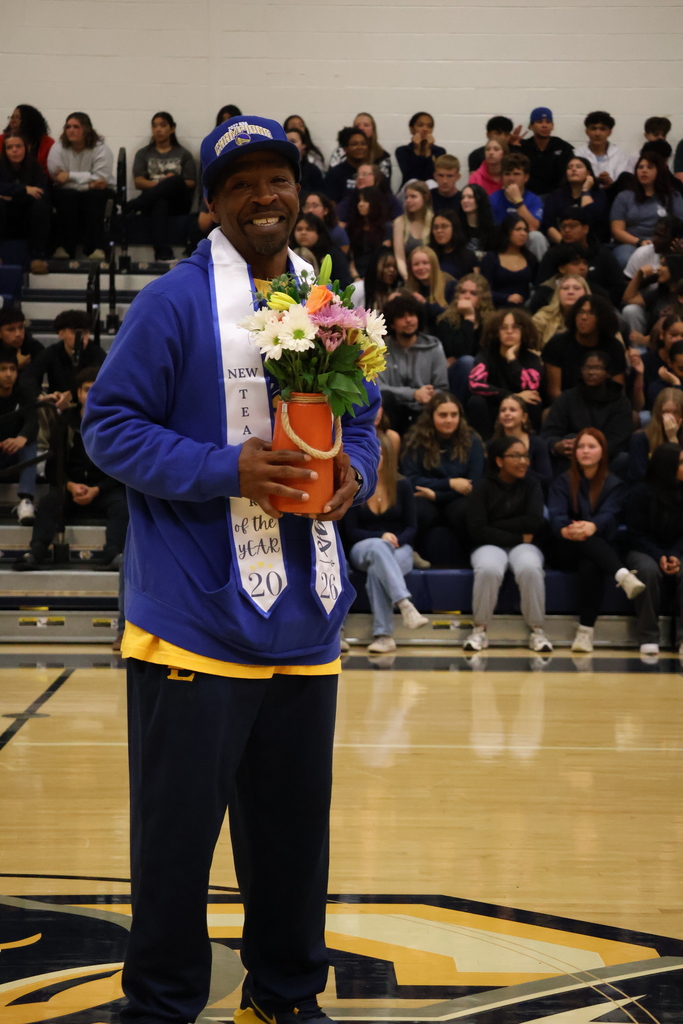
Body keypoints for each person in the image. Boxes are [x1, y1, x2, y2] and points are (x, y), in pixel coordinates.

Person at [82, 114, 380, 1024]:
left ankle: (285, 996)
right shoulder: (172, 303)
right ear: (211, 204)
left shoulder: (329, 304)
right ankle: (163, 1004)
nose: (265, 197)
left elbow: (361, 420)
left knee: (292, 838)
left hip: (305, 614)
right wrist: (228, 469)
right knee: (175, 842)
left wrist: (353, 473)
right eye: (242, 183)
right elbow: (109, 429)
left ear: (299, 194)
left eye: (278, 180)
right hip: (195, 619)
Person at [15, 367, 128, 570]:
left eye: (96, 390)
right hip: (70, 487)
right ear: (78, 393)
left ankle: (113, 554)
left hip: (103, 489)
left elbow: (121, 467)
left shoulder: (114, 424)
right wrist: (70, 486)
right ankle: (37, 552)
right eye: (86, 390)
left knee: (122, 505)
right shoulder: (64, 421)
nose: (91, 395)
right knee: (50, 501)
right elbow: (52, 467)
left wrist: (97, 489)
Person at [548, 428, 644, 653]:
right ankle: (622, 575)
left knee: (591, 564)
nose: (585, 451)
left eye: (591, 446)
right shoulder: (563, 481)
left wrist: (592, 526)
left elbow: (610, 514)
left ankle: (585, 633)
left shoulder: (615, 484)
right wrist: (566, 530)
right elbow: (556, 514)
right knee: (585, 544)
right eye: (581, 447)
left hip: (599, 550)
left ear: (603, 452)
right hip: (565, 548)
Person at [464, 435, 553, 654]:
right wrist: (518, 536)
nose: (523, 461)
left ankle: (537, 630)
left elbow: (534, 521)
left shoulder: (532, 484)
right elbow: (477, 530)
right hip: (489, 545)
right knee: (488, 569)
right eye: (516, 456)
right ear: (499, 461)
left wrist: (495, 524)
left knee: (530, 568)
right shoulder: (482, 487)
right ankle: (479, 629)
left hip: (521, 546)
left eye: (525, 456)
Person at [346, 432, 428, 654]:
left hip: (399, 548)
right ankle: (405, 604)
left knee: (377, 572)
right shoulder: (354, 485)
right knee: (378, 549)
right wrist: (381, 536)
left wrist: (396, 540)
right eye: (372, 453)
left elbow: (411, 527)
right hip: (364, 548)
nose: (377, 458)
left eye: (381, 453)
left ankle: (384, 636)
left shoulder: (402, 485)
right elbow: (351, 531)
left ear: (389, 456)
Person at [401, 392, 484, 567]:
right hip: (425, 497)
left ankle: (472, 555)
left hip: (456, 499)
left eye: (454, 415)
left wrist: (437, 495)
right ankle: (409, 553)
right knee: (418, 509)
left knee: (465, 510)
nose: (449, 420)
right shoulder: (415, 439)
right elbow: (410, 478)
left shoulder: (472, 441)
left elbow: (473, 484)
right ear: (431, 416)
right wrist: (449, 483)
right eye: (443, 415)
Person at [625, 443, 683, 656]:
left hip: (677, 550)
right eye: (682, 463)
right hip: (644, 549)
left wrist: (675, 554)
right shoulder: (640, 493)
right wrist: (659, 555)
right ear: (667, 466)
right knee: (647, 571)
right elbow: (635, 534)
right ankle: (648, 636)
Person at [542, 349, 633, 475]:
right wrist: (557, 446)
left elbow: (619, 440)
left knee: (623, 459)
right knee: (569, 440)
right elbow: (549, 432)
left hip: (606, 458)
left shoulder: (621, 402)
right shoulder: (568, 397)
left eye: (597, 368)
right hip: (572, 457)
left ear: (608, 373)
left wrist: (591, 451)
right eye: (587, 368)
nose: (591, 372)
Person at [47, 111, 116, 260]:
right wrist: (88, 181)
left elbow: (101, 179)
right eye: (68, 127)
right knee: (68, 197)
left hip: (99, 192)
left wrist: (70, 176)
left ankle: (98, 249)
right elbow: (56, 176)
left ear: (86, 129)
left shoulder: (101, 149)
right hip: (71, 191)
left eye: (76, 126)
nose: (71, 130)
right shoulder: (58, 148)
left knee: (95, 197)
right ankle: (64, 248)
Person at [467, 308, 544, 439]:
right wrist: (513, 396)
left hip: (520, 411)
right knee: (476, 402)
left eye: (515, 327)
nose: (509, 332)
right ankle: (485, 446)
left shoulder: (531, 359)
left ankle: (528, 444)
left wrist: (512, 360)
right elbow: (475, 384)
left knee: (533, 401)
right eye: (503, 328)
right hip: (495, 407)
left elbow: (531, 387)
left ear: (524, 331)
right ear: (497, 332)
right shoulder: (487, 355)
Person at [130, 111, 197, 261]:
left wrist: (171, 182)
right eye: (154, 126)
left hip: (179, 203)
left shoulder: (183, 153)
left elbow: (191, 182)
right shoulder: (143, 153)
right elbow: (138, 181)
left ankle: (134, 205)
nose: (158, 129)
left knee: (175, 180)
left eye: (162, 125)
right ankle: (163, 254)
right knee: (160, 202)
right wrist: (163, 184)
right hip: (154, 202)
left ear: (172, 128)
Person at [378, 292, 448, 435]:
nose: (409, 320)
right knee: (386, 398)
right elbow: (380, 388)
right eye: (401, 317)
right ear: (392, 323)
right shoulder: (381, 349)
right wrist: (413, 394)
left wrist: (428, 395)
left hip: (425, 409)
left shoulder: (434, 347)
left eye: (412, 315)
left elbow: (442, 387)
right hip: (394, 410)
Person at [534, 206, 625, 308]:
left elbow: (618, 287)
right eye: (563, 227)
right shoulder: (552, 255)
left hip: (599, 307)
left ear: (585, 229)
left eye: (572, 226)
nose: (567, 230)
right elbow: (541, 287)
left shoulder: (603, 254)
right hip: (557, 309)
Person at [542, 294, 627, 401]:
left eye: (591, 313)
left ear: (602, 318)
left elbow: (618, 391)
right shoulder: (557, 344)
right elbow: (554, 391)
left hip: (604, 407)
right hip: (566, 407)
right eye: (580, 312)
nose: (583, 317)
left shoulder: (614, 347)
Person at [610, 152, 683, 268]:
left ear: (659, 171)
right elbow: (617, 230)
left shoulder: (673, 196)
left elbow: (680, 225)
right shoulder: (624, 196)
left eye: (650, 167)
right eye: (640, 167)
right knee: (623, 259)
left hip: (664, 244)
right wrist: (640, 242)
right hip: (632, 244)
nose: (644, 171)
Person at [434, 273, 494, 400]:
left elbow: (487, 354)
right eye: (463, 292)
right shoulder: (446, 321)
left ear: (482, 298)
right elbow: (460, 351)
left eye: (473, 293)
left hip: (484, 372)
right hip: (454, 375)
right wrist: (469, 318)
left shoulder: (491, 323)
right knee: (467, 362)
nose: (466, 296)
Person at [30, 309, 104, 408]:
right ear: (61, 333)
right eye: (76, 333)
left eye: (86, 333)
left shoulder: (96, 353)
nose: (82, 338)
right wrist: (41, 396)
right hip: (57, 406)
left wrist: (72, 393)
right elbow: (29, 377)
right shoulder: (52, 352)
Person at [0, 132, 51, 274]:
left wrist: (13, 195)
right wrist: (25, 189)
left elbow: (42, 192)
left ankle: (37, 257)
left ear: (26, 148)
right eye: (10, 147)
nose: (14, 150)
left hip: (26, 213)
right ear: (5, 150)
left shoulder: (34, 166)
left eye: (18, 146)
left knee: (41, 206)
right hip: (5, 213)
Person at [0, 344, 38, 524]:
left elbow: (32, 420)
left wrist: (21, 438)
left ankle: (25, 500)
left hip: (14, 454)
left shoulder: (24, 392)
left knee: (30, 442)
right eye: (3, 369)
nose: (9, 374)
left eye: (12, 369)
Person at [488, 153, 547, 260]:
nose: (511, 178)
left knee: (537, 237)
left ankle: (540, 275)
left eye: (516, 174)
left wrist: (518, 201)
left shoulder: (534, 200)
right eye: (507, 174)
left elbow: (533, 228)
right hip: (500, 243)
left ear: (526, 177)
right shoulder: (492, 199)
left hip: (524, 242)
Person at [492, 394, 552, 492]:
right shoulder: (493, 445)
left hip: (531, 496)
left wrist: (520, 470)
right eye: (503, 410)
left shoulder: (537, 443)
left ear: (524, 417)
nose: (507, 413)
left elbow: (547, 480)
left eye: (512, 410)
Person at [541, 156, 608, 243]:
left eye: (578, 167)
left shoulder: (598, 194)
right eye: (569, 167)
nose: (573, 169)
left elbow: (591, 218)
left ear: (588, 173)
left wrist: (585, 190)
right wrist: (565, 244)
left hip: (592, 245)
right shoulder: (556, 195)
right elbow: (549, 225)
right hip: (561, 245)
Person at [479, 215, 538, 308]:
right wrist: (506, 297)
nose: (523, 233)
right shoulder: (491, 258)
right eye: (518, 229)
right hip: (497, 309)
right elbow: (483, 291)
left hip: (524, 311)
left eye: (525, 230)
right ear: (507, 232)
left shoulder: (530, 258)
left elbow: (538, 285)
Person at [515, 106, 574, 197]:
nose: (544, 125)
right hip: (527, 196)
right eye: (539, 122)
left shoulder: (562, 147)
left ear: (553, 126)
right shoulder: (522, 146)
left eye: (548, 122)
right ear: (531, 126)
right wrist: (509, 144)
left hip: (557, 196)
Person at [628, 387, 683, 482]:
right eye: (665, 412)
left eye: (675, 412)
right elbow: (639, 477)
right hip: (652, 490)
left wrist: (673, 438)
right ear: (658, 413)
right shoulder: (640, 439)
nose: (671, 417)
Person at [574, 111, 636, 192]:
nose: (597, 133)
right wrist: (595, 181)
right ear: (587, 131)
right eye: (593, 128)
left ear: (609, 132)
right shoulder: (577, 153)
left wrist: (610, 182)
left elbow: (624, 183)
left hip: (613, 196)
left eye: (603, 129)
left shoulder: (619, 153)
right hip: (586, 195)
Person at [290, 212, 352, 289]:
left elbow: (343, 283)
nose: (303, 233)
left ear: (319, 233)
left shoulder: (333, 253)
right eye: (299, 229)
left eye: (309, 229)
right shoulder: (288, 252)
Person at [405, 245, 456, 332]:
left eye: (425, 263)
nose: (421, 267)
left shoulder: (451, 285)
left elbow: (453, 317)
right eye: (416, 264)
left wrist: (425, 304)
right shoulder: (408, 289)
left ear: (434, 264)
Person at [345, 186, 392, 280]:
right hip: (355, 275)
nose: (360, 204)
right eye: (359, 201)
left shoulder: (385, 228)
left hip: (377, 276)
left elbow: (383, 256)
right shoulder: (351, 228)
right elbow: (350, 256)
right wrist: (356, 276)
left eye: (365, 201)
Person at [328, 113, 391, 182]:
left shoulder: (382, 155)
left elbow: (384, 184)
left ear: (373, 129)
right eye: (357, 126)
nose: (361, 128)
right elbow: (331, 177)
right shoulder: (340, 152)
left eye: (366, 125)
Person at [532, 274, 590, 348]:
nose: (570, 292)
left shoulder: (595, 318)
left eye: (576, 288)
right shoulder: (542, 318)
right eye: (565, 288)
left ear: (585, 293)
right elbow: (531, 348)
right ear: (558, 293)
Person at [392, 180, 433, 280]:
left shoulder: (434, 220)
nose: (408, 201)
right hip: (408, 275)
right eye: (406, 197)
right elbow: (400, 258)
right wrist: (408, 278)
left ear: (425, 197)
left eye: (413, 196)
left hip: (432, 275)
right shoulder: (400, 222)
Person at [336, 163, 402, 222]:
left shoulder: (389, 199)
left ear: (377, 179)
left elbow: (401, 222)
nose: (359, 178)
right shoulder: (350, 199)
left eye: (364, 174)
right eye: (357, 175)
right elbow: (338, 220)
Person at [395, 111, 445, 187]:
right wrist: (417, 149)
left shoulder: (440, 151)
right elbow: (410, 176)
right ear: (411, 129)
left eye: (429, 126)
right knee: (413, 182)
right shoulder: (402, 151)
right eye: (420, 125)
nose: (425, 129)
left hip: (431, 190)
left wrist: (428, 150)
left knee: (430, 183)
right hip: (408, 190)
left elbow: (432, 176)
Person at [0, 104, 54, 174]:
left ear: (29, 121)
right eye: (11, 117)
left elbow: (50, 172)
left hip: (39, 181)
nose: (12, 121)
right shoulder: (2, 139)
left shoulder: (47, 142)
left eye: (17, 118)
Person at [321, 127, 369, 203]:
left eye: (363, 143)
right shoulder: (334, 174)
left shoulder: (374, 172)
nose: (360, 147)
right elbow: (330, 204)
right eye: (354, 144)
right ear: (345, 149)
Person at [429, 209, 478, 279]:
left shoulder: (467, 256)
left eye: (444, 226)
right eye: (435, 227)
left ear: (454, 228)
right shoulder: (428, 253)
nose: (439, 231)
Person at [0, 306, 44, 371]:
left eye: (21, 328)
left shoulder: (34, 347)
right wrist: (16, 365)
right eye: (11, 330)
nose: (18, 334)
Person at [458, 183, 496, 256]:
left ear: (479, 200)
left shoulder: (492, 231)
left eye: (470, 197)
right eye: (463, 197)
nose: (465, 200)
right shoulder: (456, 227)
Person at [647, 338, 683, 407]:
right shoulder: (657, 387)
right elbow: (675, 409)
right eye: (681, 369)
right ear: (670, 363)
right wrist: (676, 384)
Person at [286, 128, 323, 193]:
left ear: (303, 145)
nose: (289, 144)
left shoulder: (313, 170)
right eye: (286, 141)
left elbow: (318, 195)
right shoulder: (276, 169)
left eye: (293, 141)